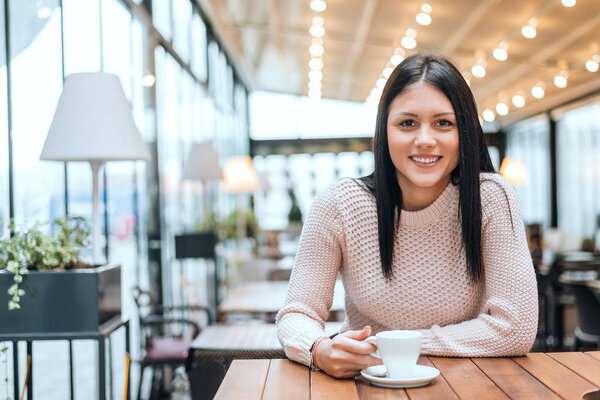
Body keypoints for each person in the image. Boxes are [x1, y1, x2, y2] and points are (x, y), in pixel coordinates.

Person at [275, 51, 538, 379]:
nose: (425, 140)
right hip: (366, 383)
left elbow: (515, 329)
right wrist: (318, 349)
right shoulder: (339, 205)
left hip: (471, 384)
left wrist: (391, 344)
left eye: (444, 123)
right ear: (384, 132)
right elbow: (296, 313)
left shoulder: (491, 197)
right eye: (407, 123)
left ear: (465, 131)